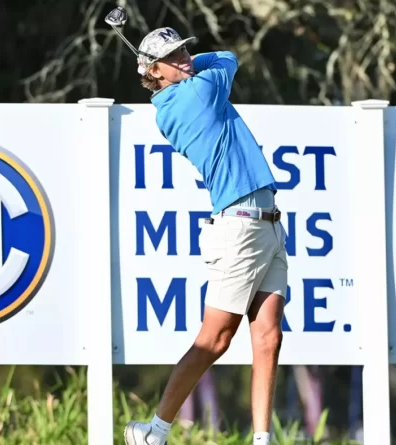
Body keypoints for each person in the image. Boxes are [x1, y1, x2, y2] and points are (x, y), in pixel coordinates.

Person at [122, 27, 288, 445]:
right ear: (153, 71)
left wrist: (174, 63)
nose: (184, 57)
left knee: (268, 336)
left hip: (267, 224)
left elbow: (217, 61)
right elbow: (228, 57)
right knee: (214, 339)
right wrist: (191, 65)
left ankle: (262, 439)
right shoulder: (195, 94)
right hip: (240, 228)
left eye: (184, 50)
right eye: (172, 56)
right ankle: (155, 432)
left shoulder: (187, 91)